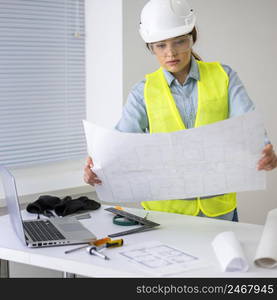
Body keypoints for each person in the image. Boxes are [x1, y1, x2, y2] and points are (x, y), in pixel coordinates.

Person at [84, 0, 277, 221]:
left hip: (218, 209)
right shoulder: (143, 91)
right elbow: (119, 143)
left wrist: (264, 151)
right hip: (165, 214)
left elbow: (248, 123)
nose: (171, 52)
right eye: (160, 45)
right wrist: (96, 167)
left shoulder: (223, 76)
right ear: (150, 47)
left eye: (180, 42)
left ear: (192, 39)